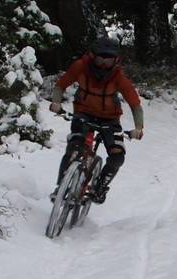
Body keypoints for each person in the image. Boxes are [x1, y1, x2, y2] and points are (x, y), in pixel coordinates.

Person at [49, 37, 144, 204]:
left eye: (109, 61)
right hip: (83, 113)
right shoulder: (80, 67)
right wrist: (56, 102)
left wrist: (138, 127)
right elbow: (60, 85)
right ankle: (61, 187)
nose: (103, 65)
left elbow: (135, 104)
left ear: (116, 60)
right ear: (92, 57)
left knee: (117, 156)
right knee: (75, 146)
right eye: (100, 59)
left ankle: (99, 187)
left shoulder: (118, 77)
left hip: (110, 119)